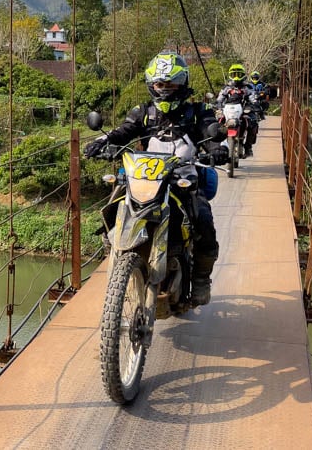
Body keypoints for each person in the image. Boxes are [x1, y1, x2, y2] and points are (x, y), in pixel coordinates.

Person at [84, 51, 227, 306]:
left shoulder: (197, 111)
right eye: (160, 84)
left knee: (204, 219)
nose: (164, 90)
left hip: (182, 180)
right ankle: (115, 249)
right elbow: (123, 132)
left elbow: (210, 131)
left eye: (170, 84)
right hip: (144, 180)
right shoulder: (144, 112)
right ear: (152, 85)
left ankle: (202, 279)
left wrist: (217, 149)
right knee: (112, 207)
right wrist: (102, 141)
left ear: (182, 84)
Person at [216, 63, 259, 157]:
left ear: (243, 75)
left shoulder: (248, 87)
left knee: (254, 122)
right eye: (234, 74)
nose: (236, 77)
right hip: (227, 110)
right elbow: (219, 99)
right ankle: (216, 146)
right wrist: (218, 106)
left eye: (238, 74)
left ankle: (248, 147)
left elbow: (253, 98)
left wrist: (255, 104)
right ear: (230, 75)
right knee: (216, 123)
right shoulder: (226, 87)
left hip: (243, 110)